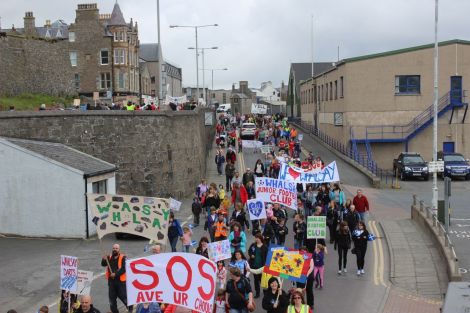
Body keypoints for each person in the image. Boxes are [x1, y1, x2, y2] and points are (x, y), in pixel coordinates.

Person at [101, 244, 131, 313]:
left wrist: (116, 274)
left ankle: (130, 310)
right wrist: (103, 259)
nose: (115, 249)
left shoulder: (123, 257)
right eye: (114, 248)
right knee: (112, 302)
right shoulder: (109, 257)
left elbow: (124, 268)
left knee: (125, 299)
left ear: (119, 250)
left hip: (120, 283)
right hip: (111, 283)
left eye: (116, 248)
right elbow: (103, 264)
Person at [248, 233, 268, 298]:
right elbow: (249, 251)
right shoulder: (253, 245)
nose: (256, 239)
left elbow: (267, 256)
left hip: (261, 266)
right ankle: (257, 293)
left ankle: (265, 291)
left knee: (262, 279)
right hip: (254, 265)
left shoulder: (265, 247)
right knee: (256, 280)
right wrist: (251, 255)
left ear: (261, 239)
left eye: (258, 238)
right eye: (256, 238)